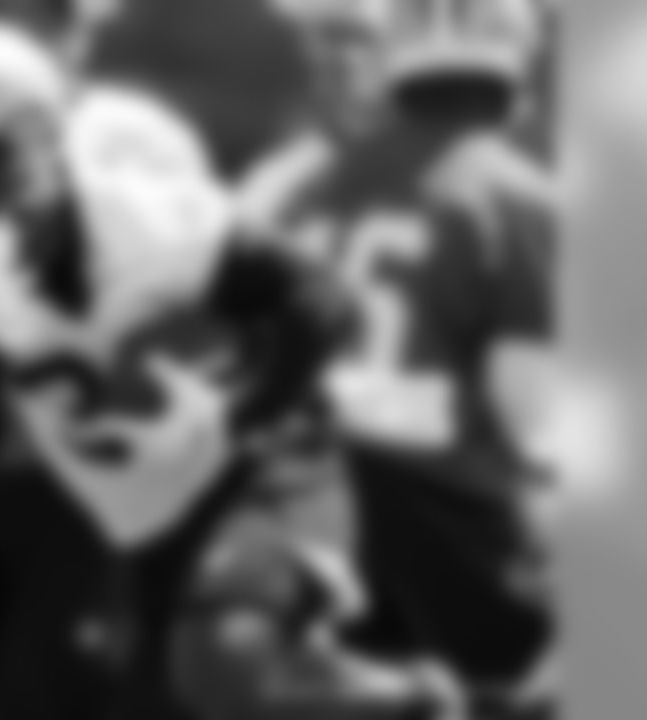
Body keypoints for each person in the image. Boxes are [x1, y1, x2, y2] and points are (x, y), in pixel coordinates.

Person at [0, 20, 348, 720]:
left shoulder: (142, 215)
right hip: (127, 506)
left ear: (45, 140)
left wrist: (236, 409)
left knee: (219, 662)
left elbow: (320, 301)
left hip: (247, 469)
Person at [180, 1, 561, 718]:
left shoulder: (299, 184)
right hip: (438, 512)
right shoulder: (515, 195)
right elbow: (532, 419)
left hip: (298, 498)